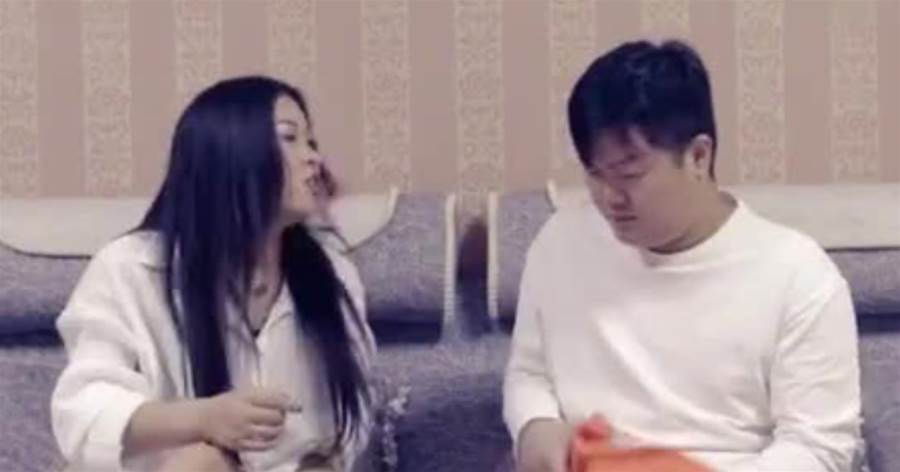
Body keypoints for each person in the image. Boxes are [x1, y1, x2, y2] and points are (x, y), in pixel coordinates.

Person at [503, 40, 861, 471]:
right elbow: (530, 371)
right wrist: (535, 425)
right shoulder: (561, 243)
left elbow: (819, 448)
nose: (609, 197)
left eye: (629, 173)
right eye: (595, 175)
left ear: (698, 156)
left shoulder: (798, 276)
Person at [51, 76, 375, 472]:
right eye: (289, 138)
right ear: (229, 151)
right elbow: (84, 409)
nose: (313, 159)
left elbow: (355, 411)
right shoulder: (131, 268)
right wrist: (204, 419)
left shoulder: (333, 274)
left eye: (311, 142)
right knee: (202, 462)